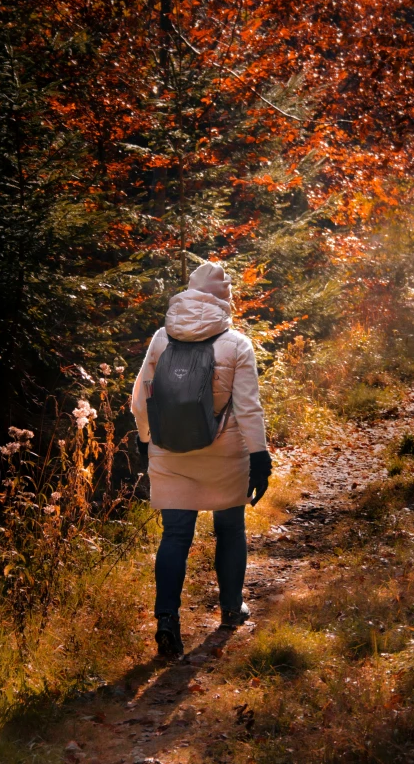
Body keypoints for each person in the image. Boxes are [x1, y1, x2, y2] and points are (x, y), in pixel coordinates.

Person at [131, 261, 272, 658]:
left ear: (190, 291)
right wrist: (260, 456)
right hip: (224, 452)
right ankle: (230, 609)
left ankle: (167, 623)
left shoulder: (162, 337)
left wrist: (146, 441)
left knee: (175, 535)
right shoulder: (236, 343)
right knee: (230, 527)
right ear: (224, 297)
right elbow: (248, 409)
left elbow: (141, 398)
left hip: (169, 450)